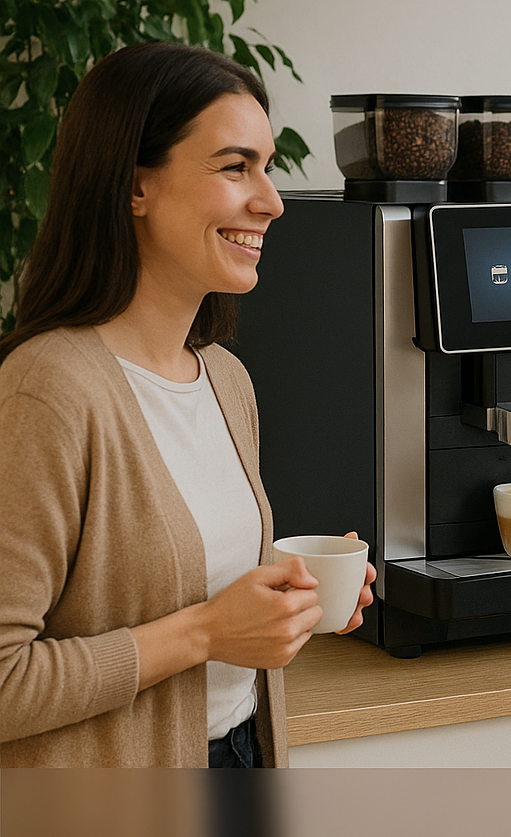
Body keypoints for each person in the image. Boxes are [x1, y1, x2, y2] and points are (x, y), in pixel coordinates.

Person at [0, 42, 375, 767]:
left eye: (267, 167)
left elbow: (207, 606)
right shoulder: (48, 390)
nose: (271, 201)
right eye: (235, 167)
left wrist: (286, 609)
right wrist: (203, 632)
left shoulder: (226, 380)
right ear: (135, 186)